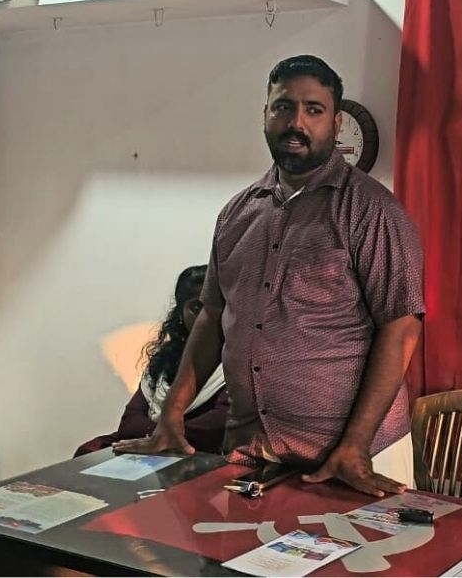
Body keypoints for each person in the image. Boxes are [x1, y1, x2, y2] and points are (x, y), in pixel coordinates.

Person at [116, 55, 425, 498]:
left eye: (313, 110)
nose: (296, 123)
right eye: (283, 107)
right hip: (253, 450)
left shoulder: (372, 212)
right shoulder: (237, 213)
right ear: (265, 114)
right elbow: (213, 316)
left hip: (354, 460)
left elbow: (400, 327)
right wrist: (172, 414)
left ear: (336, 123)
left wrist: (355, 446)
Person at [75, 266, 229, 456]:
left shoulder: (240, 362)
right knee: (88, 452)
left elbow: (218, 426)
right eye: (196, 308)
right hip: (152, 442)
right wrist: (157, 435)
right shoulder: (165, 360)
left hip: (202, 451)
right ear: (180, 314)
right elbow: (129, 423)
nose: (205, 318)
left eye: (215, 308)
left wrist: (160, 435)